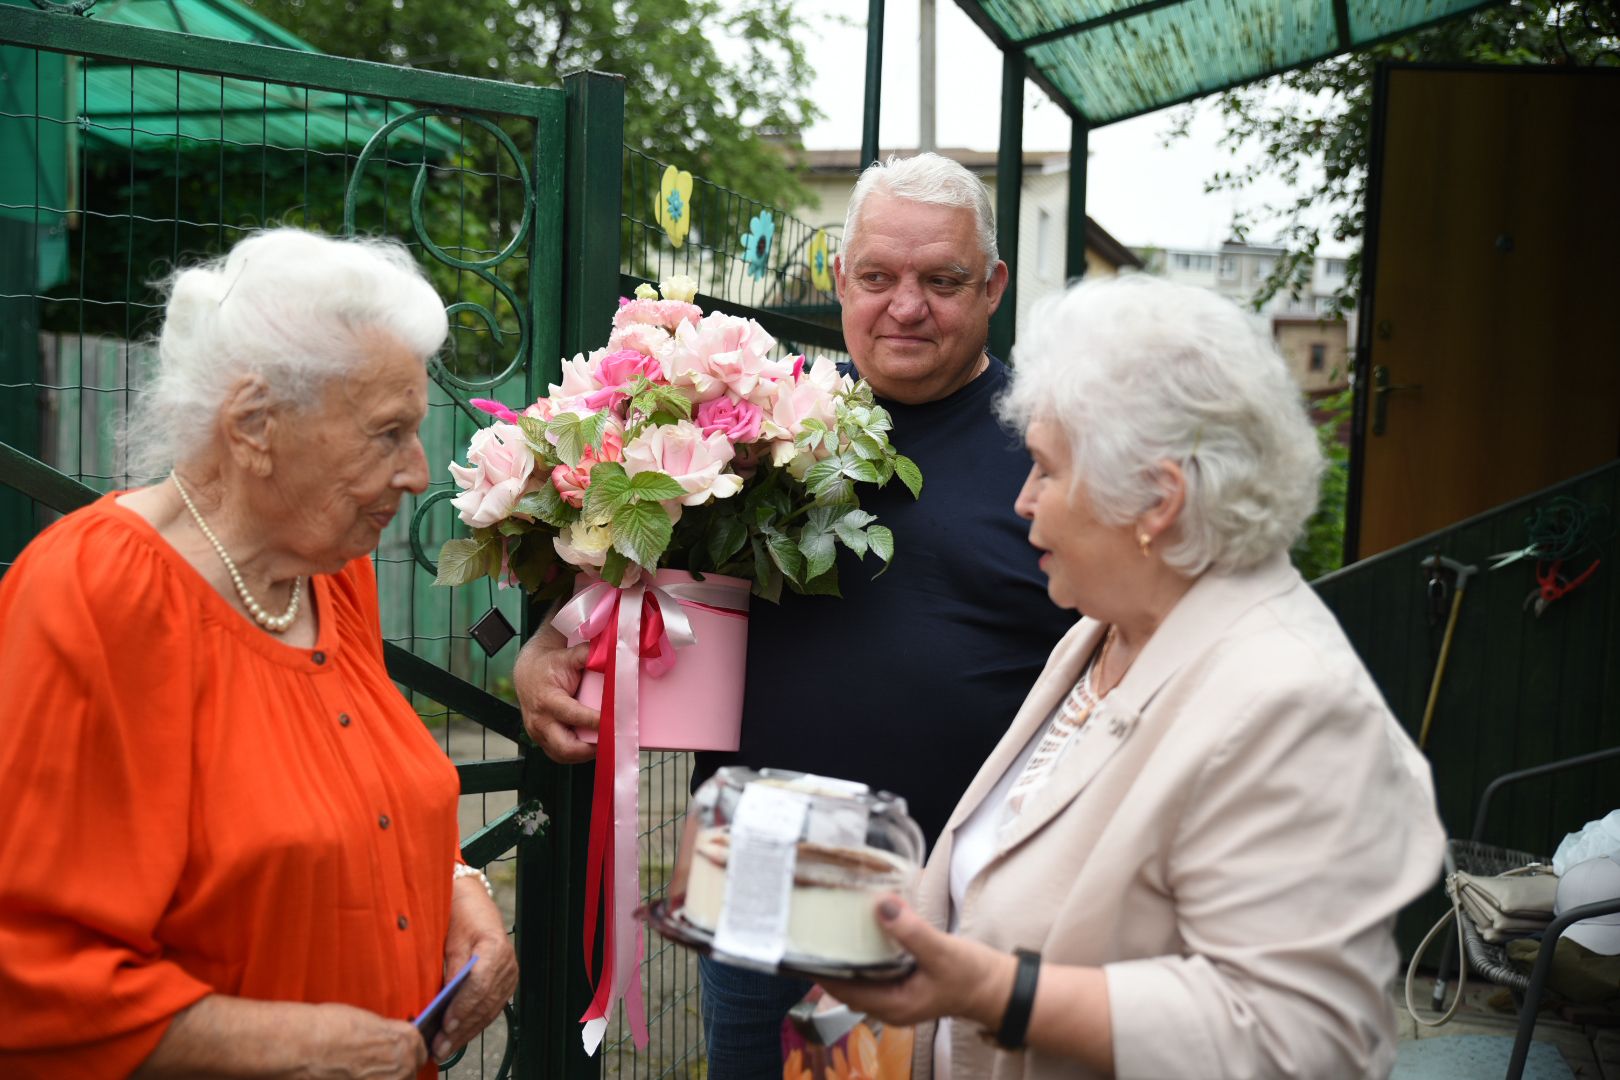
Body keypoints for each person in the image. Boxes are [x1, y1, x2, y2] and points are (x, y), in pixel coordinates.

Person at [515, 154, 1073, 1075]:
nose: (906, 306)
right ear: (839, 277)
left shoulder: (1044, 449)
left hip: (955, 916)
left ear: (993, 287)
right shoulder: (761, 426)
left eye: (942, 280)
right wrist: (545, 645)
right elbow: (628, 573)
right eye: (877, 277)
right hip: (758, 902)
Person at [820, 276, 1448, 1079]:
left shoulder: (1293, 703)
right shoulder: (1107, 629)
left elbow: (1300, 1043)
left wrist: (992, 990)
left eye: (1046, 469)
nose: (1022, 501)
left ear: (1156, 499)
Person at [0, 229, 518, 1079]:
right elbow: (30, 980)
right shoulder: (91, 598)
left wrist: (463, 890)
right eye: (389, 433)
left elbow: (368, 795)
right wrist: (295, 1049)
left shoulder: (329, 572)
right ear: (253, 427)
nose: (420, 472)